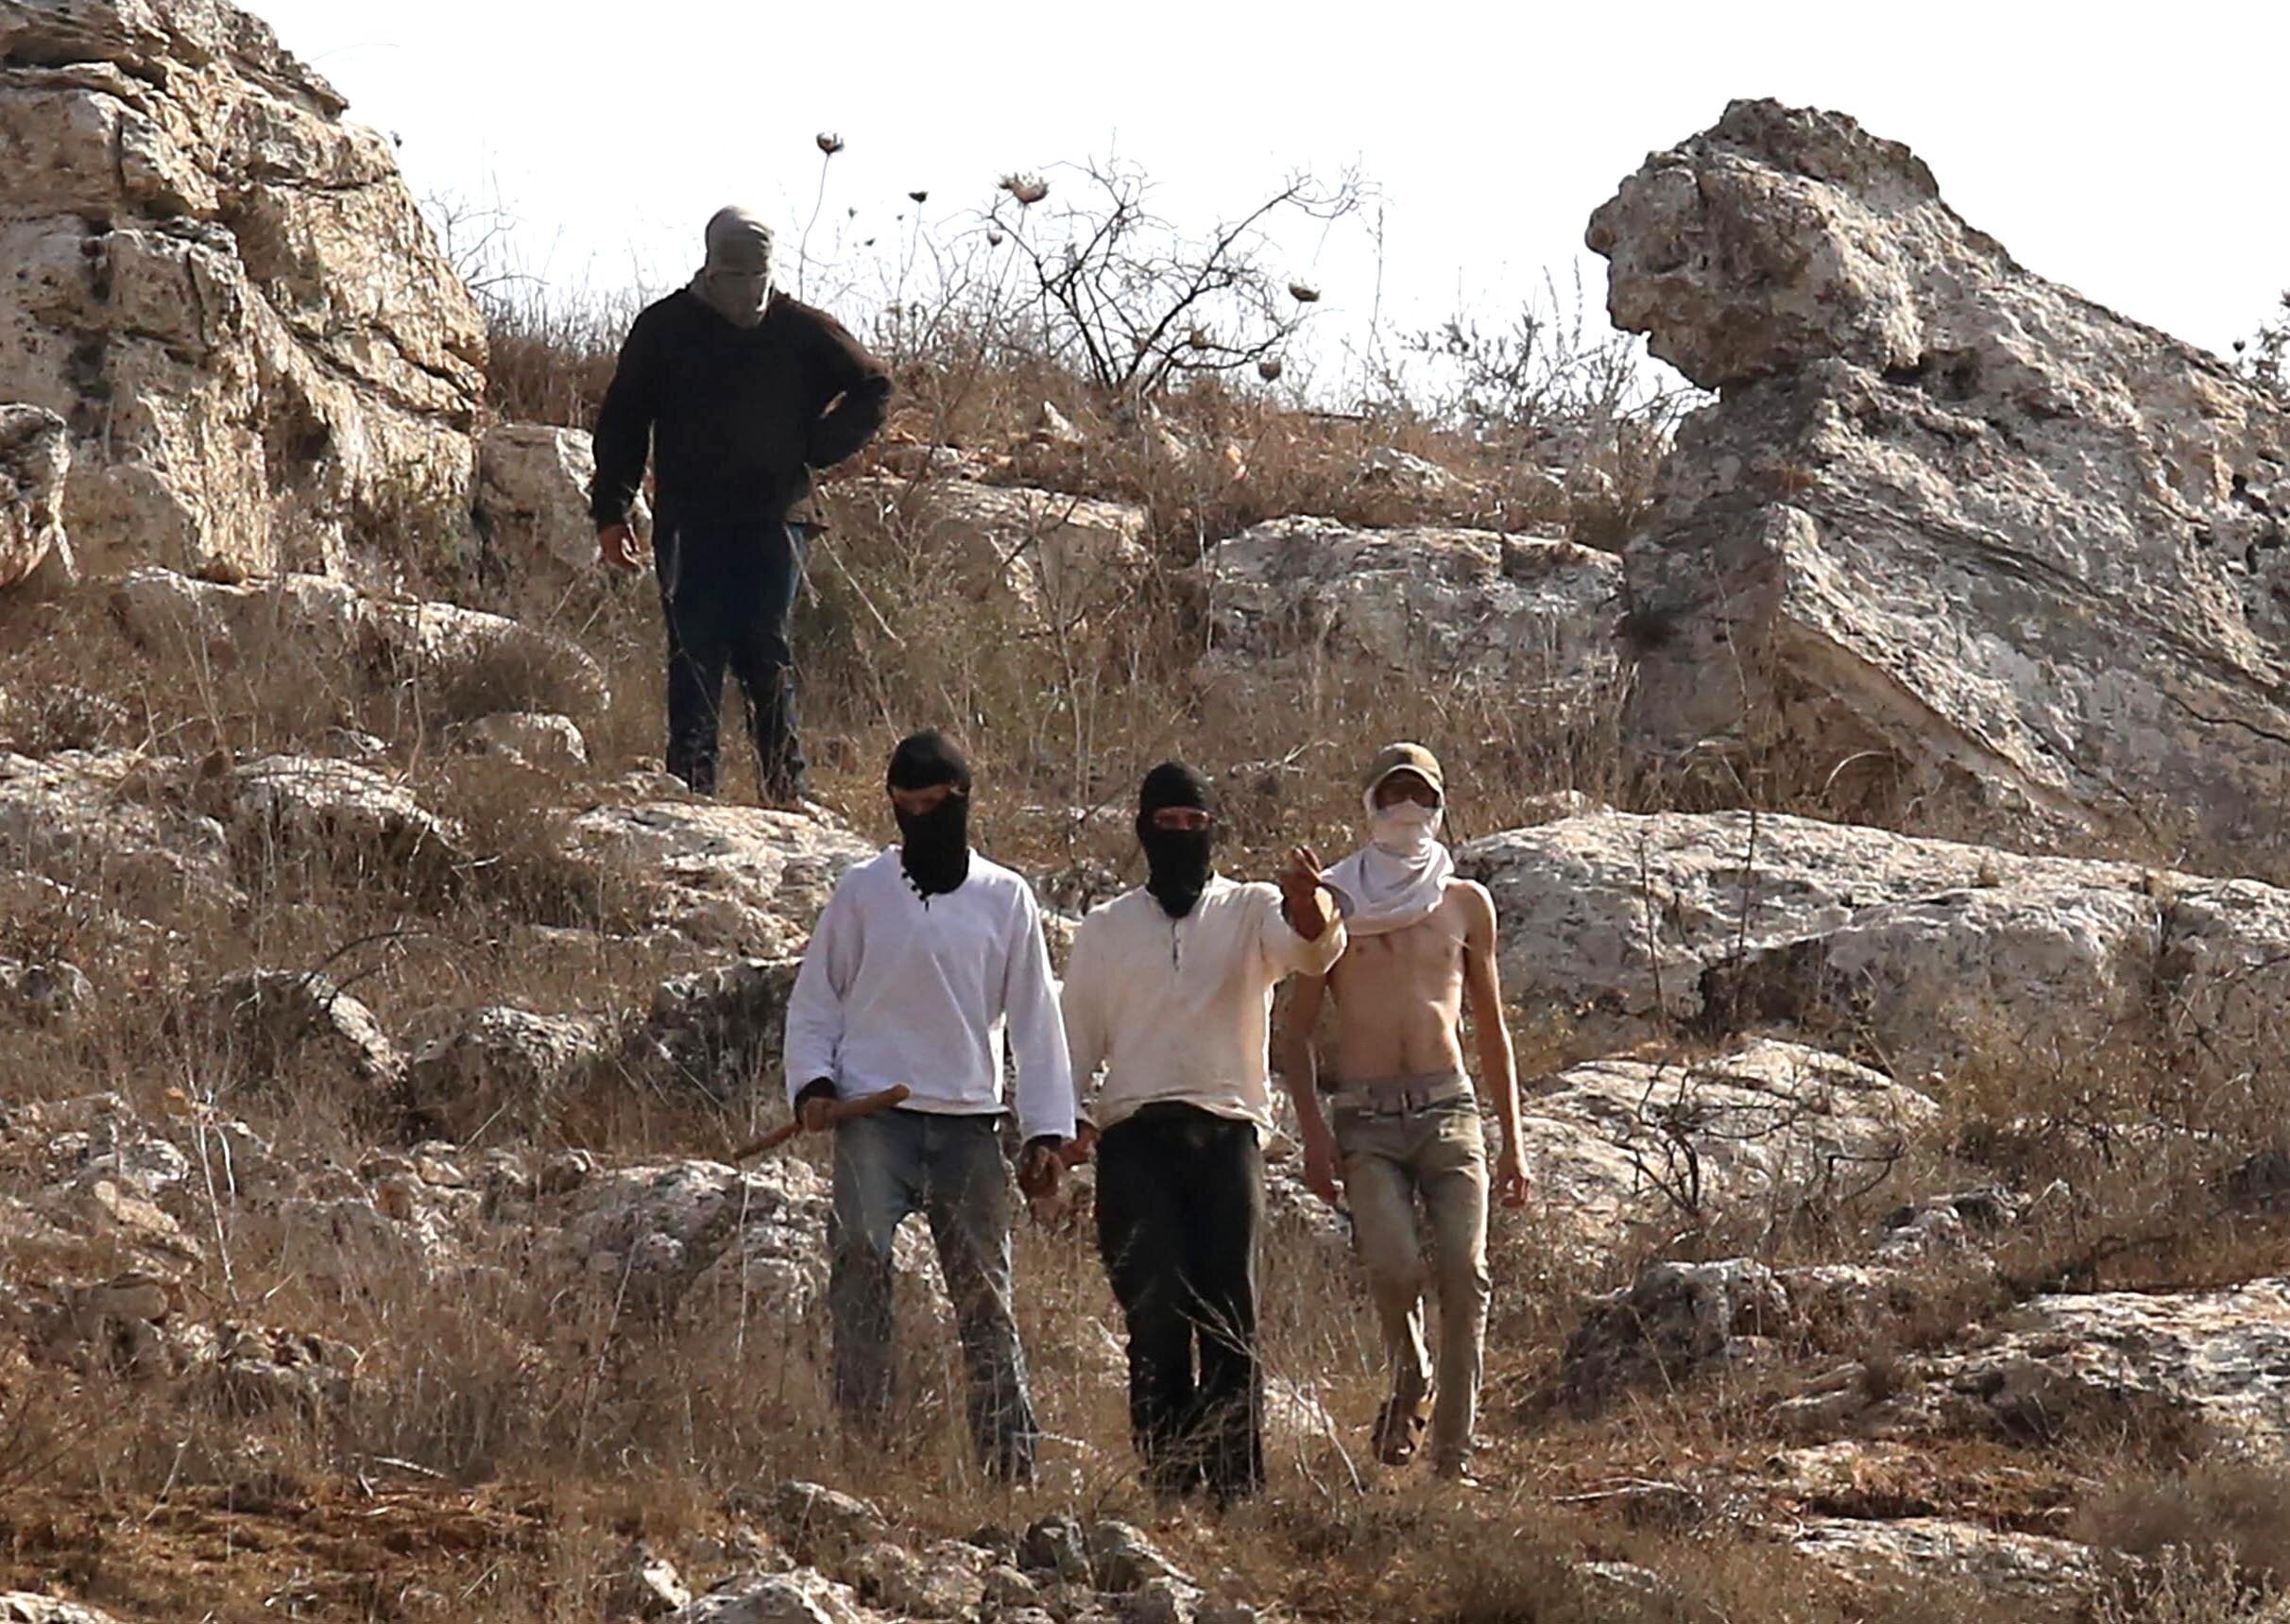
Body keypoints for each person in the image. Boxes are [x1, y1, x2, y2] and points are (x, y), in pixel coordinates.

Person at [783, 730, 1072, 1482]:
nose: (919, 820)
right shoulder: (862, 890)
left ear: (961, 802)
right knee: (859, 1264)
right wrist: (813, 1084)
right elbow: (816, 999)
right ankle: (866, 1454)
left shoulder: (1006, 897)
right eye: (905, 807)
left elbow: (1036, 1021)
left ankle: (1010, 1466)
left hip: (969, 1123)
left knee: (984, 1296)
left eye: (934, 806)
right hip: (872, 1117)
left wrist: (1047, 1130)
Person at [1060, 761, 1345, 1502]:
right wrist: (1060, 1127)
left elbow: (1311, 950)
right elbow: (1075, 1041)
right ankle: (1168, 1484)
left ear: (1213, 829)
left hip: (1227, 1135)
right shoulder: (1105, 927)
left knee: (1229, 1315)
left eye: (1195, 822)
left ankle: (1235, 1492)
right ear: (1143, 829)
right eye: (1168, 823)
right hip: (1134, 1137)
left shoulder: (1251, 909)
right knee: (1154, 1314)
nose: (1182, 835)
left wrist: (1308, 902)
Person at [1279, 743, 1529, 1484]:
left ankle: (1453, 1457)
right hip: (1367, 1117)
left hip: (1449, 1108)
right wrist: (1313, 1133)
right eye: (1394, 794)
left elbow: (1492, 1029)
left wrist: (1513, 1142)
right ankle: (1411, 1374)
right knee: (1393, 1268)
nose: (1407, 810)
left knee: (1466, 1272)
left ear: (1441, 804)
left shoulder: (1464, 901)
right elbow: (1294, 1033)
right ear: (1370, 803)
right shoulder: (1335, 899)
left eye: (1421, 795)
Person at [590, 205, 892, 804]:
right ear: (710, 267)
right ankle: (691, 793)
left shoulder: (801, 329)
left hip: (775, 520)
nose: (745, 290)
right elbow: (624, 421)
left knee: (767, 653)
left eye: (756, 276)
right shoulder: (666, 328)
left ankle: (785, 793)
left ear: (769, 271)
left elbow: (874, 385)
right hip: (691, 521)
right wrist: (611, 511)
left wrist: (821, 447)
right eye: (734, 276)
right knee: (694, 655)